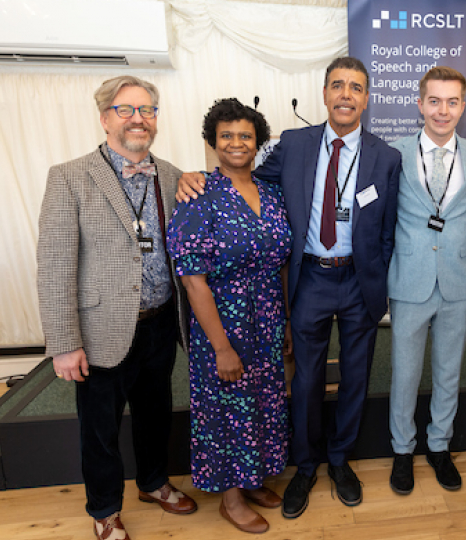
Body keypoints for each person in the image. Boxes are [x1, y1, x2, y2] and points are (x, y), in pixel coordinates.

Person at [176, 57, 401, 519]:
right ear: (324, 93)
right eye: (337, 85)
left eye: (355, 87)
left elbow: (388, 229)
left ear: (366, 98)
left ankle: (340, 462)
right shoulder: (295, 144)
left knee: (356, 377)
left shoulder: (386, 156)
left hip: (359, 281)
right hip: (310, 280)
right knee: (305, 378)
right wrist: (189, 175)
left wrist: (375, 274)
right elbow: (243, 175)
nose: (345, 94)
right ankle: (304, 465)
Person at [37, 76, 197, 540]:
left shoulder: (169, 174)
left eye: (147, 110)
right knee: (100, 428)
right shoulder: (68, 176)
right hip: (100, 327)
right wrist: (65, 344)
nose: (138, 119)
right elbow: (54, 265)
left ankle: (152, 483)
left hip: (161, 322)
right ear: (105, 118)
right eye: (126, 110)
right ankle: (104, 508)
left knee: (155, 413)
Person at [166, 98, 291, 534]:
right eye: (226, 136)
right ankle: (230, 497)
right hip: (222, 323)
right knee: (227, 408)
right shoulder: (199, 195)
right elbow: (193, 280)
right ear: (211, 143)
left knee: (262, 402)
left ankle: (253, 479)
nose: (236, 143)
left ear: (258, 144)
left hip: (269, 319)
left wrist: (287, 322)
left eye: (245, 136)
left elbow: (283, 264)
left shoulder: (273, 193)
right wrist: (221, 346)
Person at [386, 66, 466, 494]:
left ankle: (439, 445)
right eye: (434, 101)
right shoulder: (394, 153)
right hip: (409, 278)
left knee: (449, 371)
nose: (442, 111)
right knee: (404, 372)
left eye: (451, 102)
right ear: (420, 104)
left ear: (463, 106)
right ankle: (402, 450)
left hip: (457, 279)